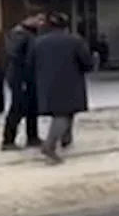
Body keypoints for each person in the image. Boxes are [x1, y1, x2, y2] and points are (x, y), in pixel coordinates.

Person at [30, 12, 92, 164]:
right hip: (70, 83)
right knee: (63, 114)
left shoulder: (39, 42)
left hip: (47, 84)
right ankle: (49, 146)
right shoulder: (75, 41)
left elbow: (30, 64)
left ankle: (66, 138)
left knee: (62, 112)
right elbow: (86, 62)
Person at [2, 10, 43, 151]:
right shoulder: (19, 34)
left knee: (32, 107)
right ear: (29, 18)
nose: (41, 23)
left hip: (30, 77)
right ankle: (8, 140)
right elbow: (15, 54)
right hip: (20, 77)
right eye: (39, 19)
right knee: (18, 107)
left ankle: (32, 136)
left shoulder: (31, 33)